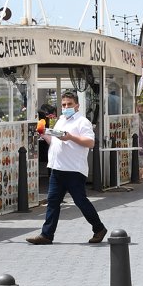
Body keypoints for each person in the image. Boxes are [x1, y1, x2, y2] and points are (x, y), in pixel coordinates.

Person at [26, 91, 107, 245]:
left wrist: (70, 137)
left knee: (80, 201)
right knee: (53, 201)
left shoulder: (82, 122)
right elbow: (55, 142)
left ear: (77, 105)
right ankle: (46, 234)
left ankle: (99, 228)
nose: (66, 107)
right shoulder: (61, 120)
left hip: (74, 169)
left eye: (69, 104)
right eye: (63, 105)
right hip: (57, 168)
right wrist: (43, 134)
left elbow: (90, 143)